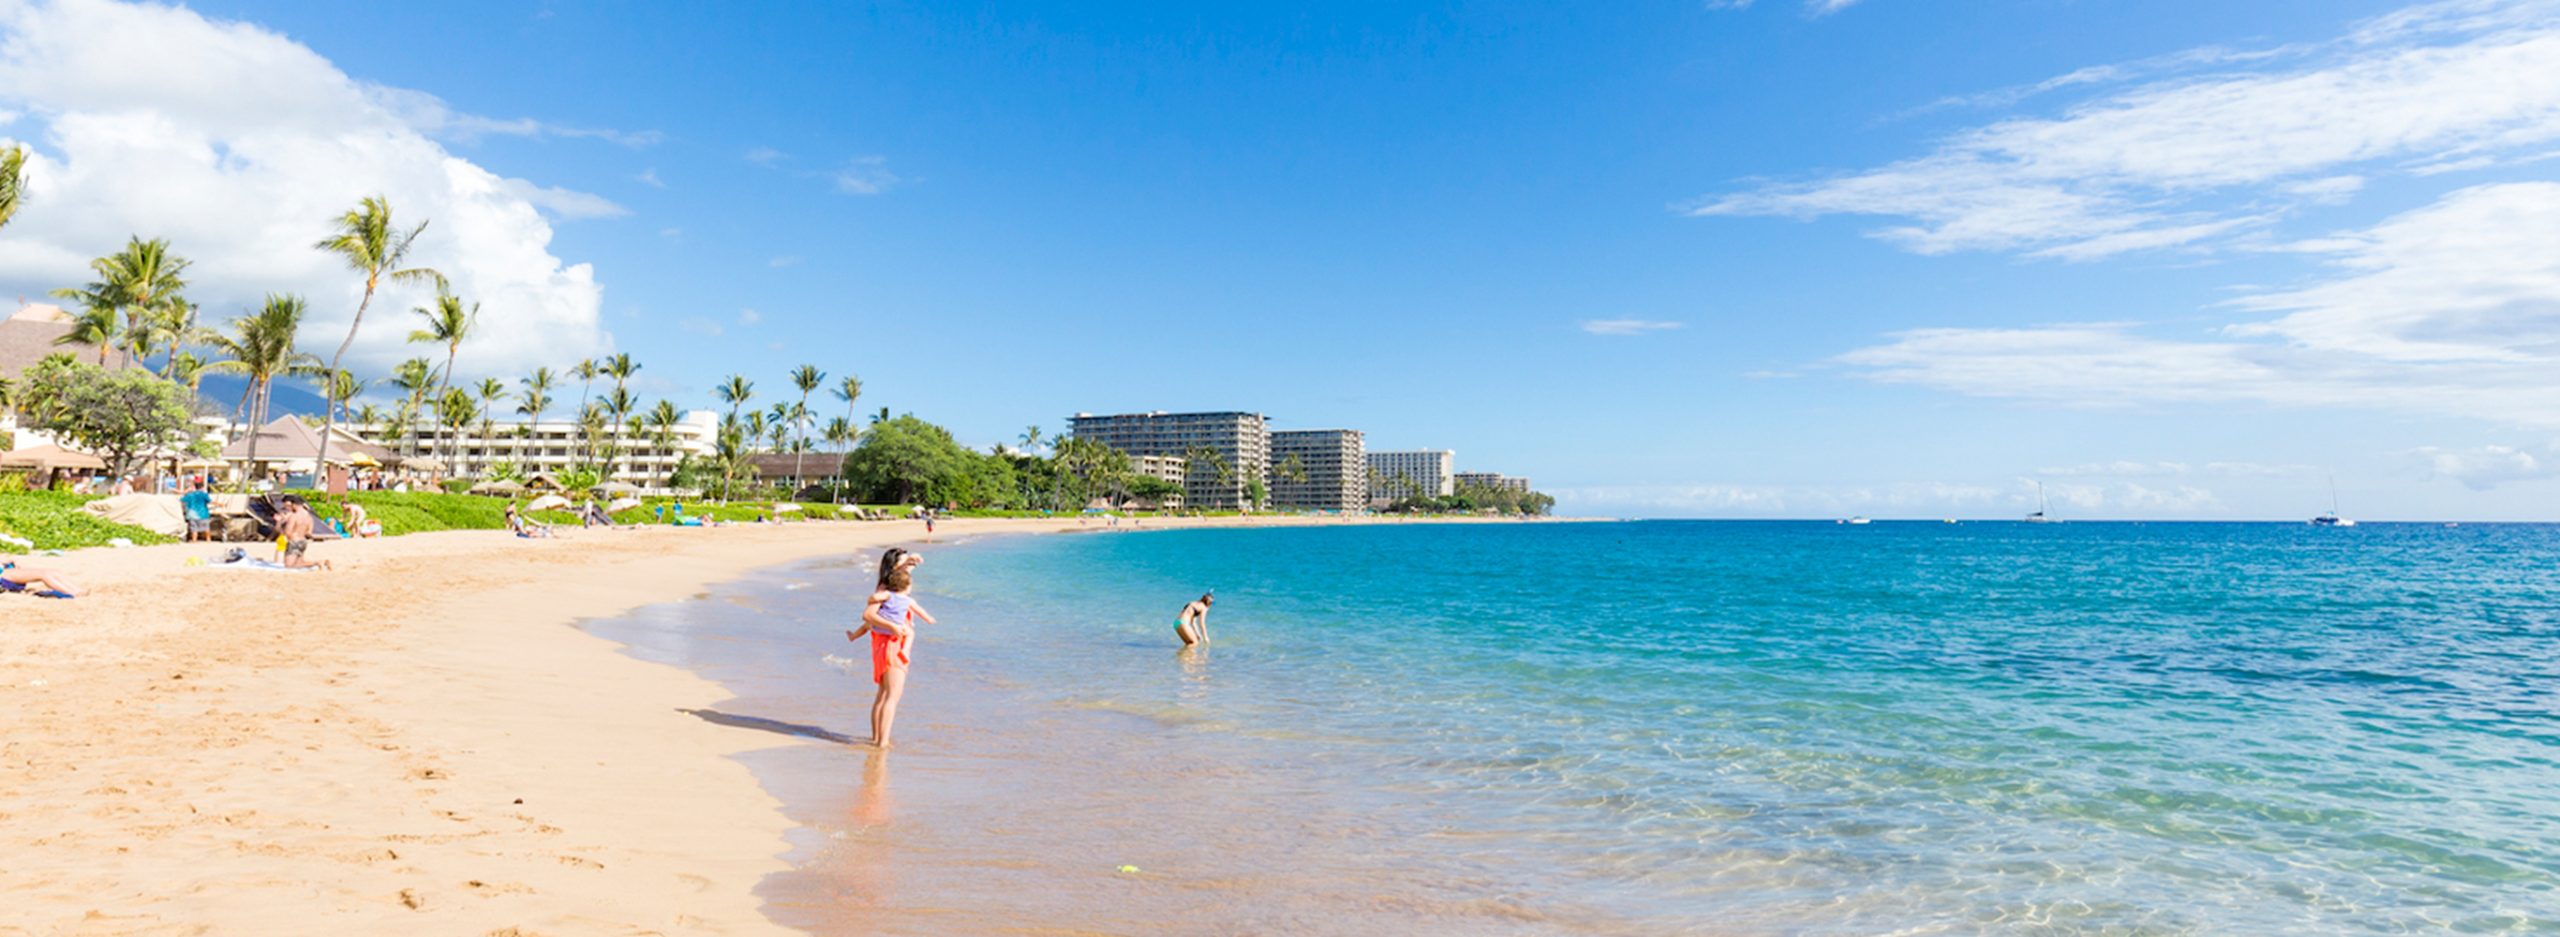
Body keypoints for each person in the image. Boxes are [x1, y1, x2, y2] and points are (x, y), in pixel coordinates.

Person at [847, 549, 933, 748]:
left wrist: (913, 560)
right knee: (892, 696)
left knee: (884, 694)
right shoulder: (885, 588)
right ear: (894, 567)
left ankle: (877, 738)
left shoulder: (893, 586)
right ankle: (882, 743)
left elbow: (906, 570)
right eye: (904, 563)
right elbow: (868, 615)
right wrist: (893, 626)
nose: (908, 566)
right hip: (892, 644)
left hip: (883, 644)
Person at [276, 497, 330, 570]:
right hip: (303, 541)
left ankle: (317, 562)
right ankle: (319, 562)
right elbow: (309, 533)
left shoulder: (294, 516)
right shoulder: (309, 517)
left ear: (294, 505)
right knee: (299, 562)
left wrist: (280, 523)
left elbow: (288, 531)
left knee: (288, 565)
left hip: (294, 541)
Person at [0, 561, 83, 598]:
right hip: (3, 576)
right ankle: (70, 592)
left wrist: (5, 563)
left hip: (4, 572)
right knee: (44, 575)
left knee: (53, 572)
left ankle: (76, 589)